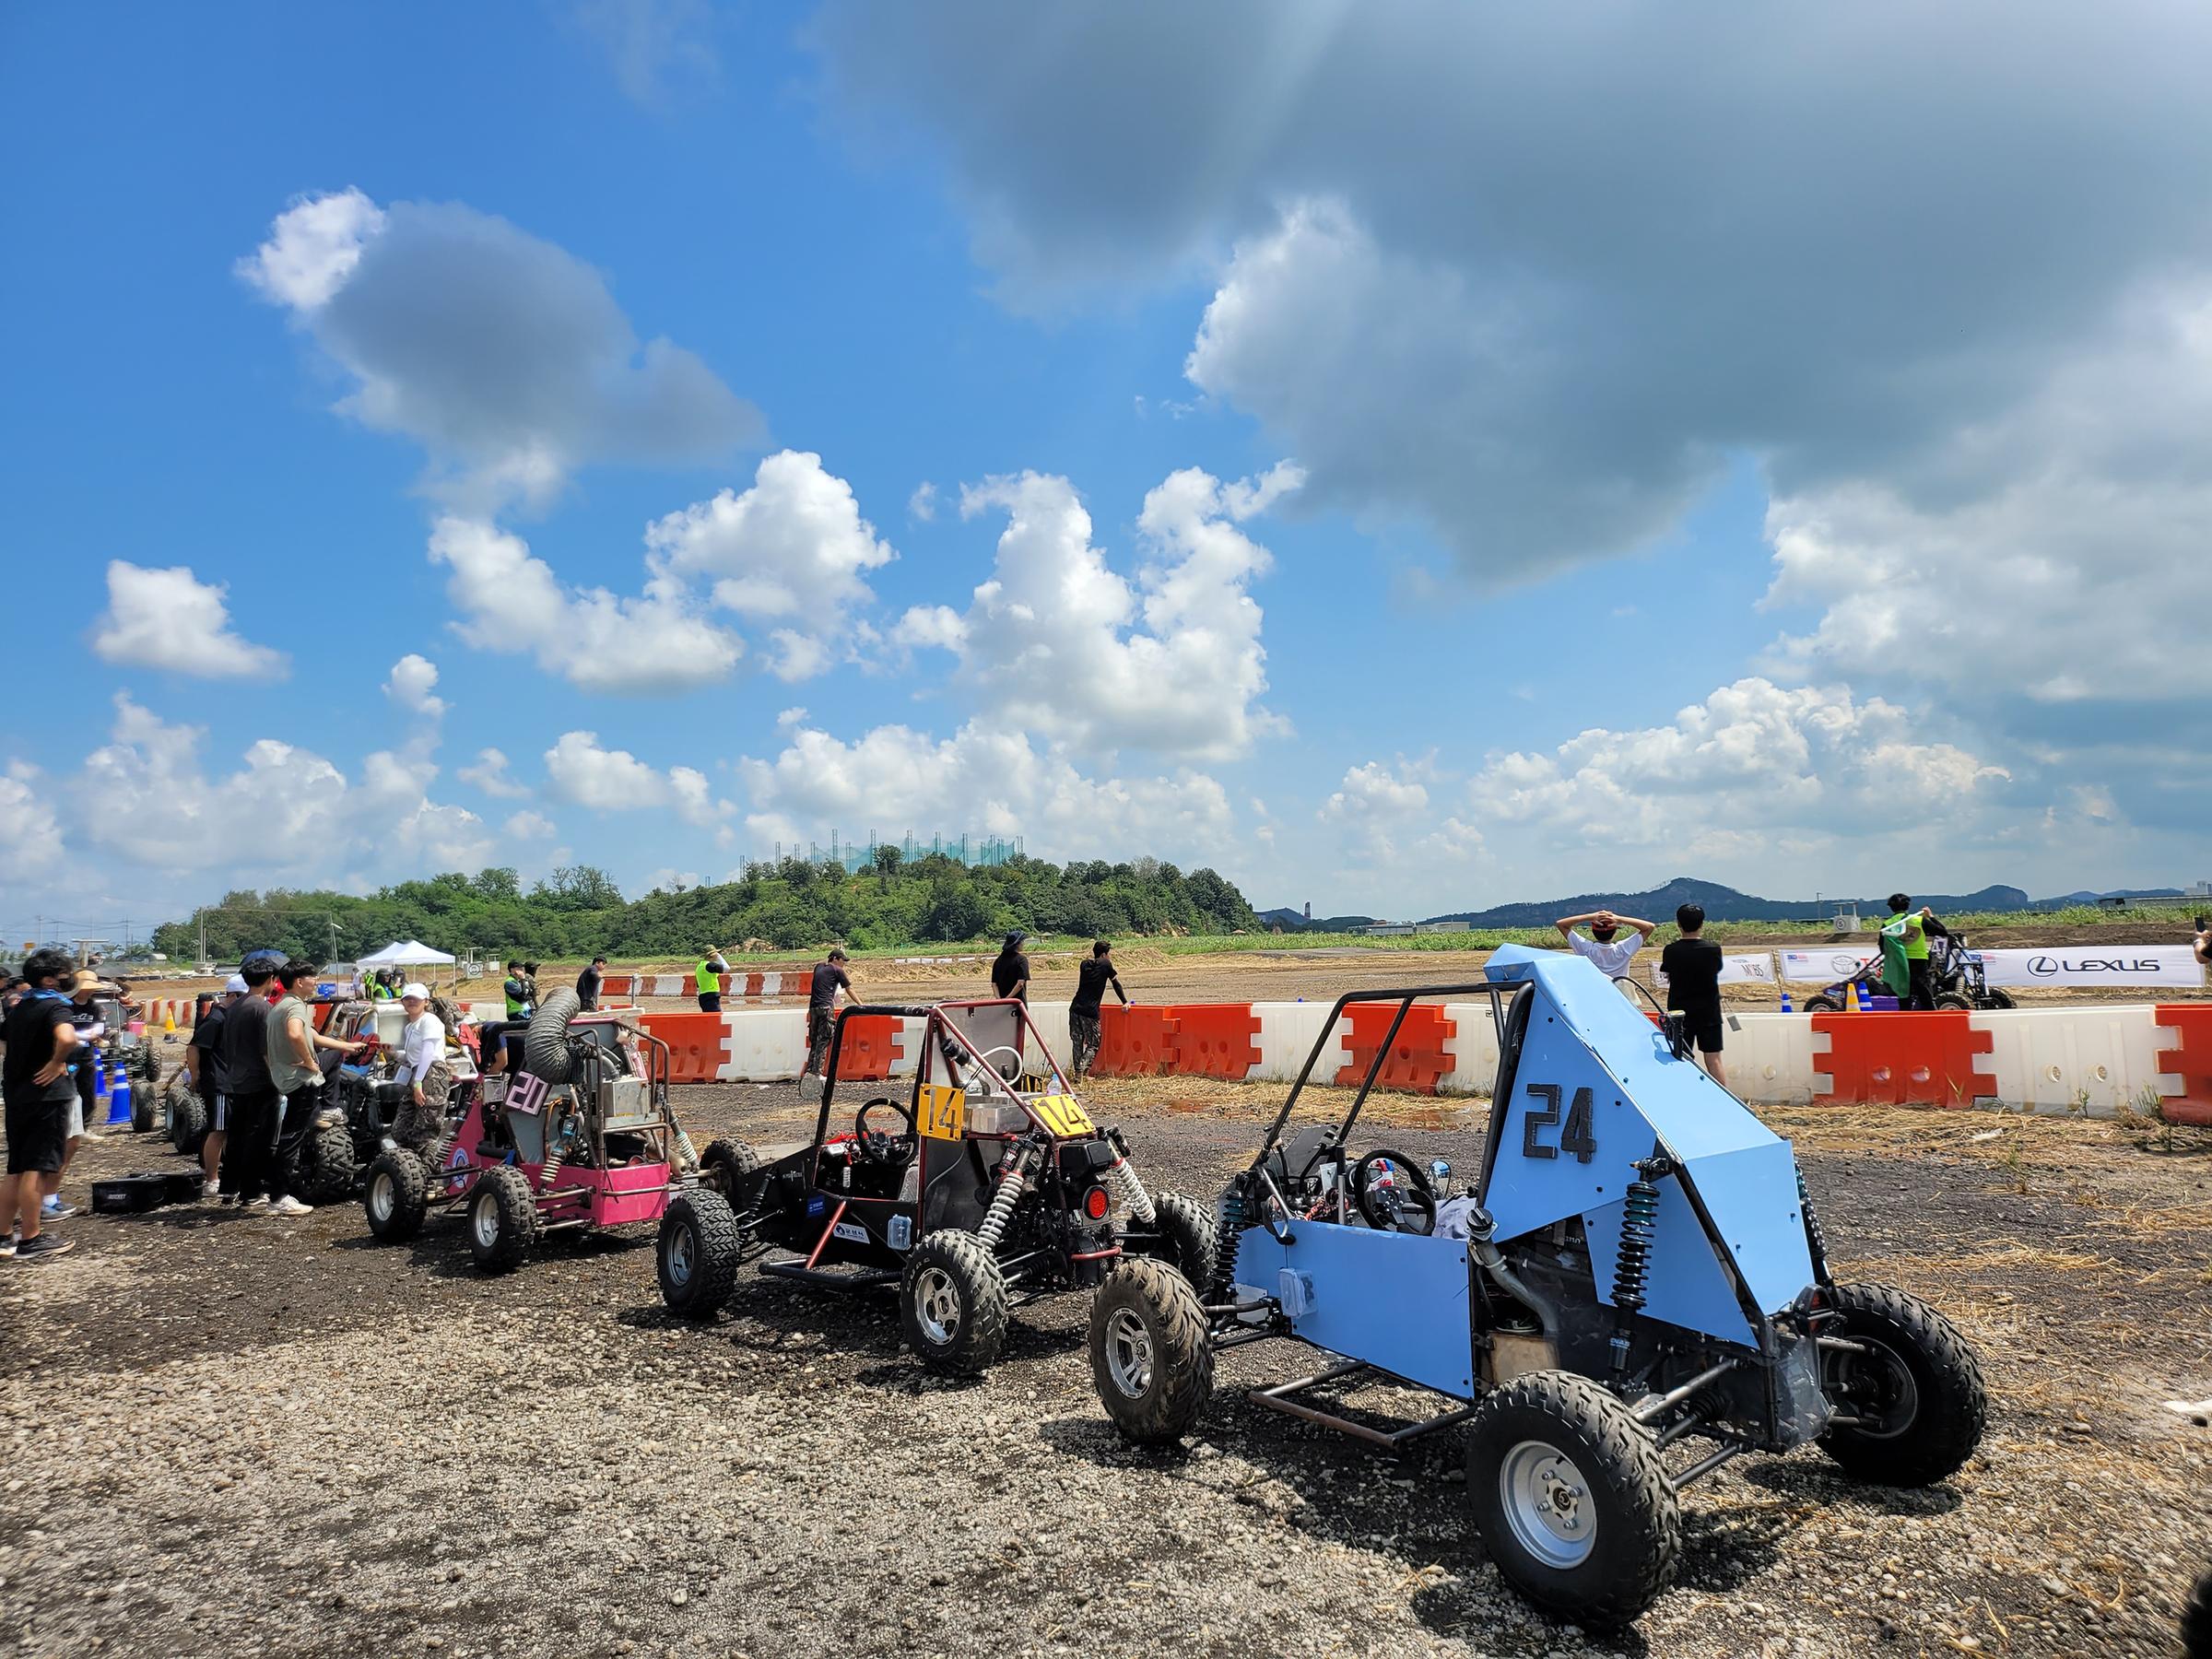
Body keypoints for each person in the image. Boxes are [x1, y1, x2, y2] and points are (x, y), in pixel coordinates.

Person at [263, 959, 363, 1214]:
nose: (316, 982)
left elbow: (311, 1036)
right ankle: (280, 1197)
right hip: (300, 1079)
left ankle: (326, 1109)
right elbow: (296, 1034)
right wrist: (310, 1063)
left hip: (285, 1076)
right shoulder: (296, 1007)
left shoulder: (281, 1006)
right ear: (299, 981)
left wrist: (347, 1046)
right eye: (312, 978)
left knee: (291, 1133)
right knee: (292, 1137)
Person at [2, 947, 79, 1262]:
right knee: (36, 1166)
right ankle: (31, 1238)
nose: (67, 979)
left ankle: (5, 1234)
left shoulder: (19, 1008)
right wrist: (55, 1062)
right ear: (49, 979)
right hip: (46, 1096)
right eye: (63, 974)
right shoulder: (55, 1006)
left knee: (16, 1168)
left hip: (17, 1093)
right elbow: (68, 1038)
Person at [185, 975, 245, 1201]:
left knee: (229, 1131)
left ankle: (228, 1176)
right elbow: (194, 1047)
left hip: (231, 1082)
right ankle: (211, 1179)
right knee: (218, 1131)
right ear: (232, 996)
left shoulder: (230, 1017)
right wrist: (195, 1075)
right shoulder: (217, 1018)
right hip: (219, 1083)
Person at [1659, 903, 1727, 1086]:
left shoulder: (1671, 950)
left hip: (1680, 1014)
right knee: (1714, 1060)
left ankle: (1684, 1096)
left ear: (1678, 924)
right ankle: (1724, 1101)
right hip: (1709, 1012)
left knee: (1681, 1058)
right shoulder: (1713, 949)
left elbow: (1667, 974)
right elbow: (1716, 970)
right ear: (1702, 924)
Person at [388, 982, 452, 1156]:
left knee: (425, 1131)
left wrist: (418, 1083)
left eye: (415, 999)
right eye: (407, 998)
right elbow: (413, 1058)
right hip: (417, 1072)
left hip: (432, 1074)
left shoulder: (429, 1021)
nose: (411, 1002)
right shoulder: (410, 1027)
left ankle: (427, 1173)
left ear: (426, 1001)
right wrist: (392, 1053)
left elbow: (428, 1053)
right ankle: (410, 1167)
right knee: (401, 1130)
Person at [1068, 939, 1129, 1082]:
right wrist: (1125, 1002)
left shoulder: (1084, 964)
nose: (1109, 957)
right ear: (1103, 955)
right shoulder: (1106, 964)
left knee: (1077, 1042)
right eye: (1108, 955)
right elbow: (1116, 984)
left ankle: (1079, 1075)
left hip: (1075, 1008)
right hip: (1090, 1011)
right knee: (1094, 1044)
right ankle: (1082, 1069)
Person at [1552, 909, 1657, 983]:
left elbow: (1561, 924)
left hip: (1596, 995)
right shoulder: (1623, 949)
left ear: (1593, 931)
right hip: (1621, 997)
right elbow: (1649, 927)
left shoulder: (1586, 949)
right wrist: (1619, 919)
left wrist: (1590, 916)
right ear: (1615, 931)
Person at [1884, 893, 1947, 1011]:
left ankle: (1905, 1023)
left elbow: (1883, 948)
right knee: (1925, 995)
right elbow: (1942, 932)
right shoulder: (1919, 920)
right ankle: (1932, 1021)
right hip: (1919, 961)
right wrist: (1931, 916)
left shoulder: (1887, 925)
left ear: (1891, 907)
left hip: (1899, 963)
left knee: (1903, 995)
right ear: (1907, 906)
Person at [801, 948, 853, 1082]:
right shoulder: (837, 971)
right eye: (842, 961)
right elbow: (849, 989)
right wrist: (861, 1004)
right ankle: (816, 1074)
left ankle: (809, 1071)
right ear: (835, 959)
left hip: (813, 1008)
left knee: (814, 1040)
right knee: (823, 1040)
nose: (844, 964)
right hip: (826, 1008)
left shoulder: (818, 967)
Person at [991, 932, 1030, 1003]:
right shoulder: (1021, 960)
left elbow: (994, 984)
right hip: (1017, 1004)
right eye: (1022, 942)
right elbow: (1020, 983)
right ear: (1017, 944)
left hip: (1001, 1004)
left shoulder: (998, 961)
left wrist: (999, 1000)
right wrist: (1008, 999)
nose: (1023, 944)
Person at [696, 948, 729, 1014]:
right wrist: (719, 957)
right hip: (711, 996)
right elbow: (726, 968)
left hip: (703, 996)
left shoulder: (700, 966)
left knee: (708, 1018)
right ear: (712, 955)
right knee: (715, 1018)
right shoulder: (709, 966)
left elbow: (698, 985)